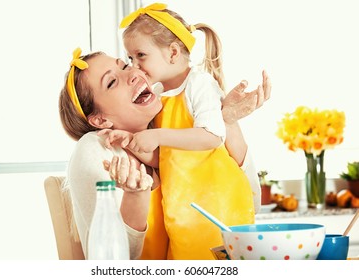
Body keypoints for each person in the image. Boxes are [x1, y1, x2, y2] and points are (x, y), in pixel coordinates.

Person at [59, 48, 271, 259]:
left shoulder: (170, 128)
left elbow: (251, 204)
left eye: (125, 65)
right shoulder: (95, 150)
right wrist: (136, 195)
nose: (132, 74)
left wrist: (227, 122)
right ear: (100, 120)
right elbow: (110, 261)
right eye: (112, 82)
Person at [98, 3, 264, 259]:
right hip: (183, 211)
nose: (134, 65)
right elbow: (165, 158)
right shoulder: (158, 96)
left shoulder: (199, 84)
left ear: (173, 52)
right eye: (131, 58)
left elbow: (212, 136)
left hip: (218, 206)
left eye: (140, 55)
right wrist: (132, 142)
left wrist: (156, 136)